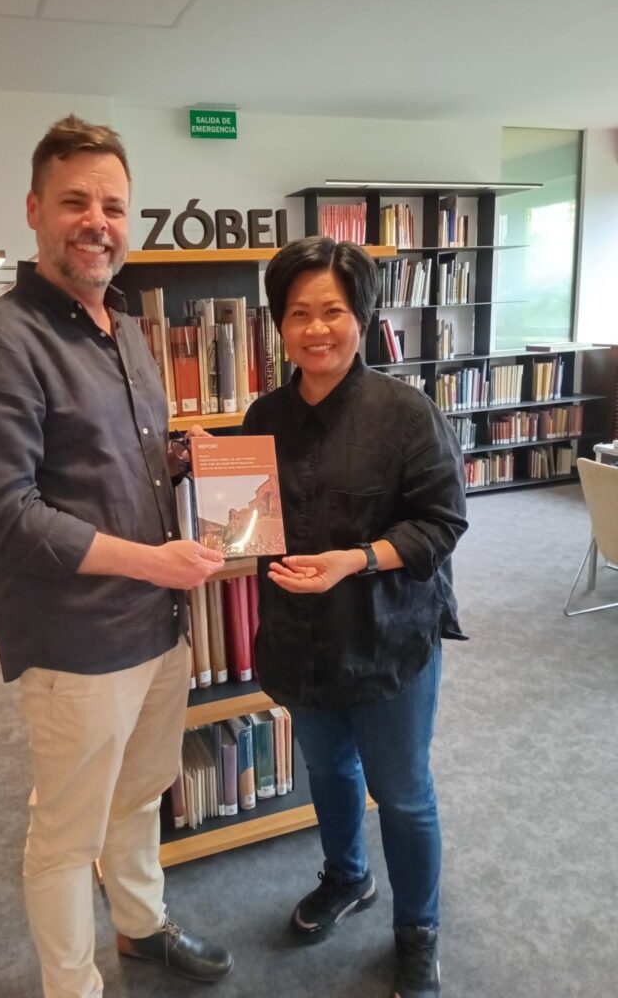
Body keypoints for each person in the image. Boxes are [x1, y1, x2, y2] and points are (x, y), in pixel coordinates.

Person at [0, 115, 233, 998]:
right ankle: (74, 987)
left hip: (159, 627)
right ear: (34, 210)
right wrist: (151, 562)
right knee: (65, 836)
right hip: (76, 645)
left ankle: (140, 929)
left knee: (142, 799)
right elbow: (8, 517)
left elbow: (114, 461)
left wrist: (186, 458)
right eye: (75, 201)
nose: (96, 220)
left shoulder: (129, 331)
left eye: (112, 205)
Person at [241, 237, 468, 998]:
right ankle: (346, 877)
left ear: (361, 317)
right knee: (328, 770)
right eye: (298, 313)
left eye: (332, 311)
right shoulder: (263, 414)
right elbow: (249, 520)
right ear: (279, 324)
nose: (316, 329)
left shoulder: (407, 414)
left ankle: (418, 929)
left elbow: (441, 523)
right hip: (300, 640)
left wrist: (359, 558)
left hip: (388, 638)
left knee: (402, 791)